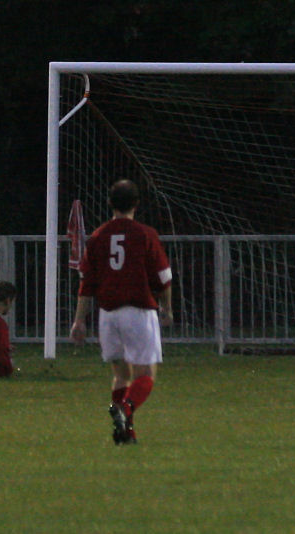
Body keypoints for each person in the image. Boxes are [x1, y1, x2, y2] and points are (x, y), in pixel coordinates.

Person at [70, 179, 173, 445]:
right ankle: (125, 409)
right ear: (136, 204)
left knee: (120, 375)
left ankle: (126, 433)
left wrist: (79, 321)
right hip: (138, 312)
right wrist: (167, 308)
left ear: (110, 204)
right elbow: (163, 277)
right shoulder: (145, 234)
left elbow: (87, 283)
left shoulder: (98, 236)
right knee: (145, 375)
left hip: (108, 315)